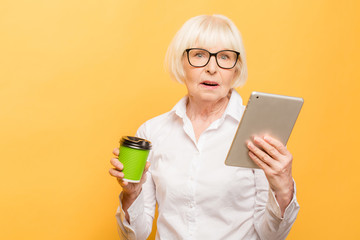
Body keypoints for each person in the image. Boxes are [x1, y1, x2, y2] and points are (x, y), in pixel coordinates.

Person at [109, 14, 299, 240]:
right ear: (182, 62)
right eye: (199, 55)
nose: (211, 68)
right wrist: (131, 194)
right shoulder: (152, 132)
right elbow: (136, 236)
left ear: (236, 70)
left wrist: (284, 189)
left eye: (225, 57)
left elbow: (271, 236)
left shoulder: (256, 132)